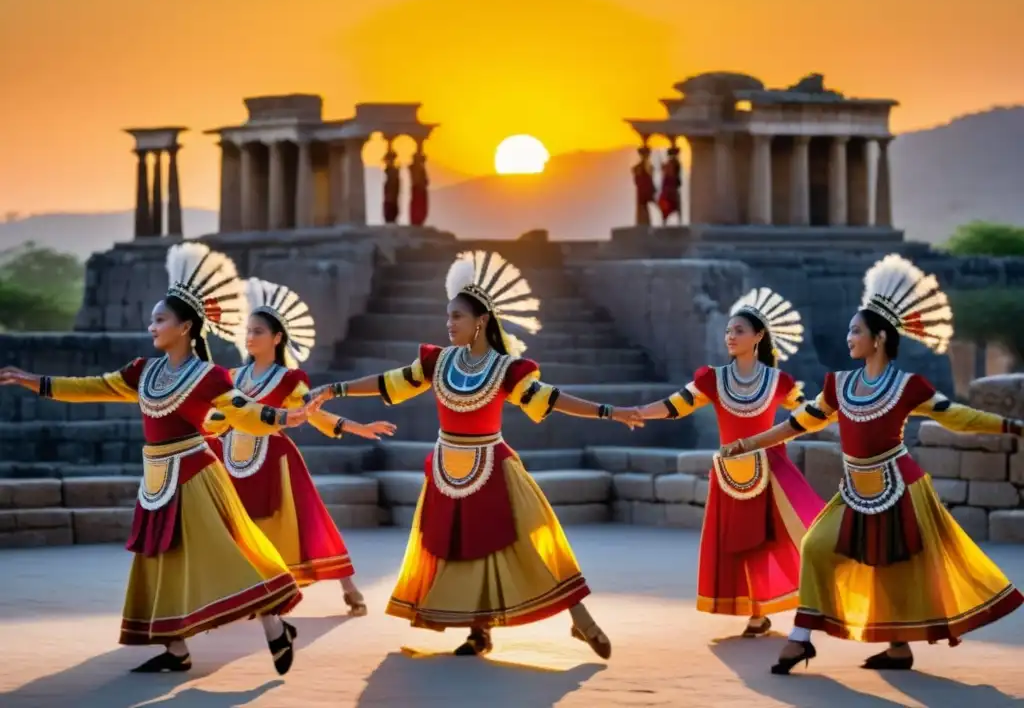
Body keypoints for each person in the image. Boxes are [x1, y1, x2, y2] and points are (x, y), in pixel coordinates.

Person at [305, 250, 644, 659]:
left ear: (480, 321)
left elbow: (552, 399)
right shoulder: (437, 362)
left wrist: (611, 412)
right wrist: (335, 389)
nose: (449, 325)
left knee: (529, 542)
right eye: (447, 317)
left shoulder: (506, 370)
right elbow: (386, 382)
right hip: (448, 468)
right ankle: (478, 632)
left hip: (494, 467)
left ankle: (580, 617)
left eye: (457, 318)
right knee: (460, 549)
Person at [0, 242, 312, 675]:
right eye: (152, 319)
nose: (152, 326)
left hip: (197, 477)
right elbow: (92, 387)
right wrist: (34, 381)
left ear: (184, 327)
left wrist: (286, 416)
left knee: (226, 556)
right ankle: (177, 651)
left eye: (160, 319)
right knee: (158, 560)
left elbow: (244, 409)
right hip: (156, 479)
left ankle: (275, 624)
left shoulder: (208, 376)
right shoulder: (142, 371)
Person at [720, 254, 1024, 674]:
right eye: (849, 330)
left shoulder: (907, 387)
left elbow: (959, 415)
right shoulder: (839, 385)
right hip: (854, 488)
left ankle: (888, 648)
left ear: (878, 338)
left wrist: (1013, 426)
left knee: (896, 566)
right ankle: (802, 639)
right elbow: (796, 424)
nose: (849, 337)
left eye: (856, 330)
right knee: (816, 546)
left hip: (900, 486)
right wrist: (749, 443)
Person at [638, 288, 824, 637]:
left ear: (759, 336)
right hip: (731, 472)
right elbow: (676, 404)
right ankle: (756, 610)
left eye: (739, 330)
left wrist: (850, 411)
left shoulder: (780, 382)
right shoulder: (713, 379)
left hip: (773, 471)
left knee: (775, 538)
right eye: (728, 331)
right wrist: (637, 412)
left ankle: (771, 610)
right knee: (740, 540)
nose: (730, 336)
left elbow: (811, 413)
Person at [218, 277, 396, 615]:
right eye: (249, 330)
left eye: (258, 331)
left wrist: (358, 427)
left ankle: (348, 586)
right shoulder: (231, 377)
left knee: (309, 522)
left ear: (277, 338)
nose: (250, 337)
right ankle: (252, 591)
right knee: (238, 525)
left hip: (275, 460)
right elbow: (218, 418)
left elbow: (315, 414)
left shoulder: (288, 380)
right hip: (232, 456)